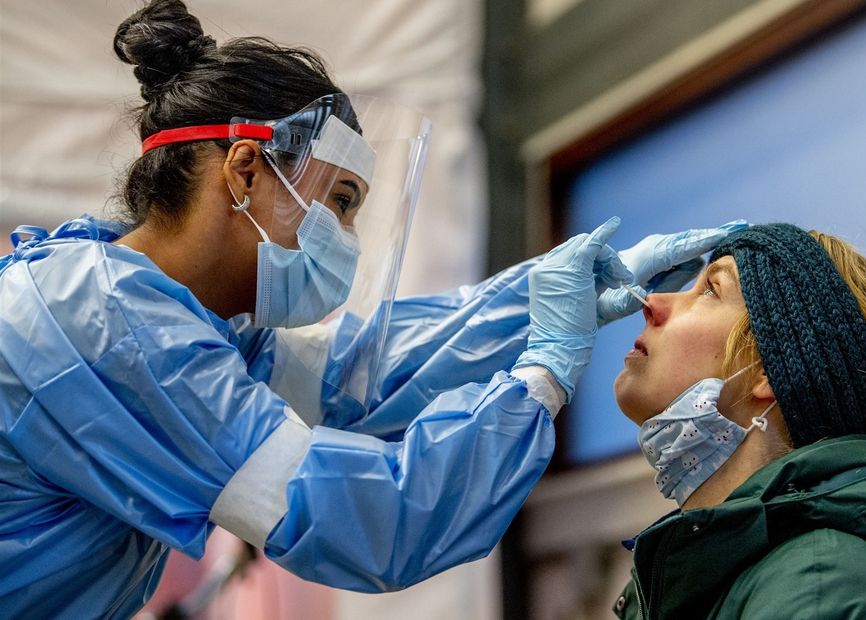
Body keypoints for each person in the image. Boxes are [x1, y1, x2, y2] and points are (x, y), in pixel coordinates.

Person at [0, 1, 741, 617]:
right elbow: (372, 523)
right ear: (245, 170)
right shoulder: (108, 329)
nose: (348, 239)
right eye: (341, 203)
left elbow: (359, 375)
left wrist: (548, 294)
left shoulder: (154, 310)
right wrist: (541, 375)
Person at [611, 223, 866, 619]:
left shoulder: (824, 592)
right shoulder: (719, 574)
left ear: (767, 371)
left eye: (710, 290)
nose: (652, 301)